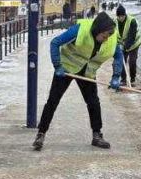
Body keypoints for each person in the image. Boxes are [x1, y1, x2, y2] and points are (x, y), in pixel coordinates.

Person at [32, 11, 124, 152]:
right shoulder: (79, 30)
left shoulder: (110, 39)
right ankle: (41, 134)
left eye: (108, 36)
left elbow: (118, 56)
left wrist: (116, 76)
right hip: (66, 69)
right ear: (97, 30)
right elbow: (55, 43)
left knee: (93, 103)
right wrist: (57, 65)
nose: (106, 39)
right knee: (53, 101)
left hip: (87, 72)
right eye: (104, 36)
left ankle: (97, 135)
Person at [114, 4, 141, 86]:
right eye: (119, 16)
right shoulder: (115, 21)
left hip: (133, 44)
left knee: (132, 61)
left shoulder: (132, 21)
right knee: (122, 61)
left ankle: (132, 79)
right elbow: (113, 34)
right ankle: (123, 80)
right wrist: (116, 44)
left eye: (122, 16)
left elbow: (131, 36)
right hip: (122, 45)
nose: (120, 18)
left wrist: (125, 47)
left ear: (125, 15)